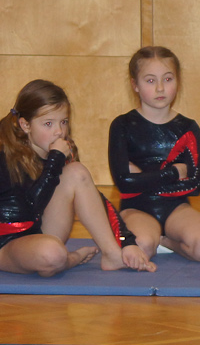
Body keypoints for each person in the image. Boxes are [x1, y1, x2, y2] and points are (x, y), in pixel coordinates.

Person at [0, 79, 153, 276]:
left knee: (76, 172)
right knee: (52, 254)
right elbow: (29, 209)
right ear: (25, 125)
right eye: (48, 124)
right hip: (6, 242)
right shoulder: (6, 156)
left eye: (63, 122)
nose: (59, 131)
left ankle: (112, 255)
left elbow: (96, 200)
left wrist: (127, 241)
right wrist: (55, 161)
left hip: (39, 236)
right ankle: (70, 259)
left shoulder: (60, 154)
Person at [108, 46, 200, 262]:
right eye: (150, 80)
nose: (160, 88)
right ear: (135, 85)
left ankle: (166, 241)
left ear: (178, 81)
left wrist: (141, 178)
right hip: (136, 208)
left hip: (176, 208)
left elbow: (195, 185)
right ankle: (152, 238)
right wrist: (173, 173)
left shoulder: (188, 127)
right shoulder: (122, 126)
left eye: (167, 79)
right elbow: (124, 183)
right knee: (142, 247)